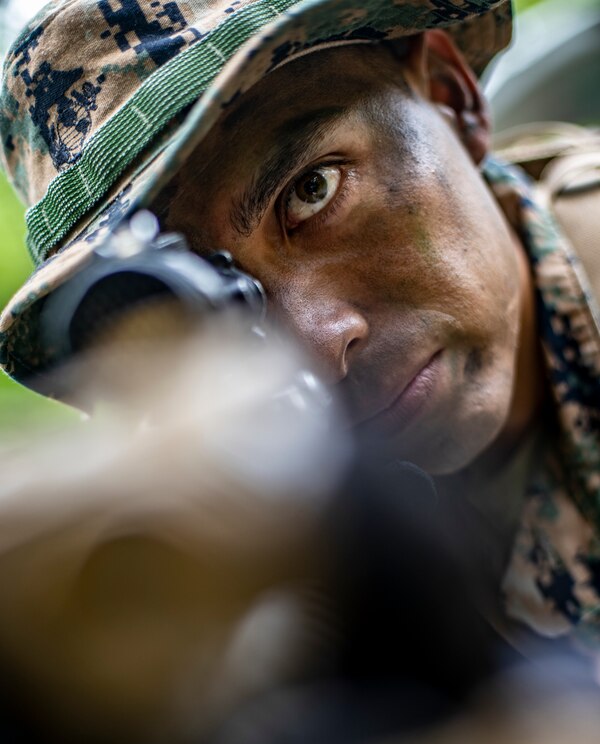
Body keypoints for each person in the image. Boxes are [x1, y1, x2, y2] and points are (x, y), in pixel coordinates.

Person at [0, 0, 599, 660]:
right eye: (219, 299)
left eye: (314, 189)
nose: (317, 347)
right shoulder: (226, 570)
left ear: (449, 98)